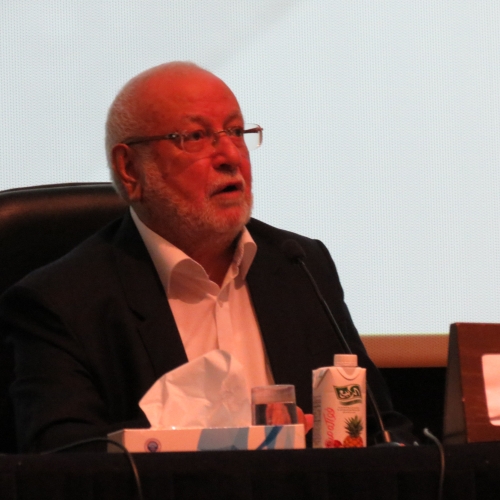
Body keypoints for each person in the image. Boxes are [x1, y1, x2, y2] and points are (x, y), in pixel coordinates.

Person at [0, 62, 413, 452]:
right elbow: (64, 461)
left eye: (236, 132)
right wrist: (218, 439)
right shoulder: (60, 303)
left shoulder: (300, 265)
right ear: (130, 169)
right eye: (195, 137)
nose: (231, 156)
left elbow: (380, 427)